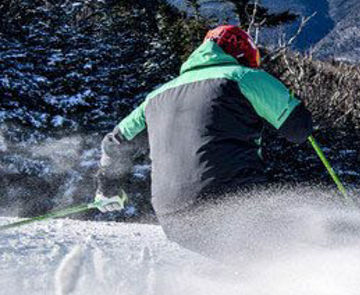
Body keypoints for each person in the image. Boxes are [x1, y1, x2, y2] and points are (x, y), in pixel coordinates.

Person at [95, 25, 313, 255]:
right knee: (294, 250)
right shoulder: (245, 77)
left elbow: (115, 143)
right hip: (234, 203)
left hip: (172, 213)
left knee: (235, 267)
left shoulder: (155, 97)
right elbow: (299, 129)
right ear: (244, 55)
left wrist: (107, 188)